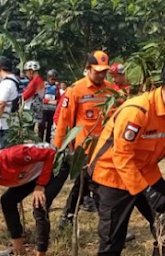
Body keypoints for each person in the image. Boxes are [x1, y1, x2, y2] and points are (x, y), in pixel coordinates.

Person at [89, 57, 165, 256]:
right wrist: (149, 194)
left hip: (145, 172)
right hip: (112, 175)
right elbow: (122, 157)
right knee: (111, 240)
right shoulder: (137, 111)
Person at [54, 50, 113, 228]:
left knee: (83, 184)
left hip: (106, 149)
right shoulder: (75, 90)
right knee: (98, 187)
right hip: (84, 151)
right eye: (98, 71)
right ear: (87, 68)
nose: (101, 74)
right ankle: (111, 225)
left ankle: (67, 217)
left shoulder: (110, 89)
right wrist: (59, 149)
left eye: (104, 71)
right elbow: (64, 121)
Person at [0, 56, 19, 150]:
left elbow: (1, 104)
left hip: (4, 124)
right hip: (9, 121)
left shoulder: (6, 83)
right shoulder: (13, 80)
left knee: (3, 151)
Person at [22, 61, 45, 132]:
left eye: (27, 72)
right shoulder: (40, 80)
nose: (26, 74)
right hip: (37, 109)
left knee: (28, 131)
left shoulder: (34, 81)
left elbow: (25, 96)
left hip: (31, 110)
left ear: (31, 71)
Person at [39, 69, 60, 142]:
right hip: (44, 109)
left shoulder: (56, 88)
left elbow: (59, 99)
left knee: (49, 127)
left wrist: (56, 102)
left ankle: (47, 142)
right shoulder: (44, 86)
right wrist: (49, 101)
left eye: (54, 79)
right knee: (42, 125)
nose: (52, 80)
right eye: (51, 78)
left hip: (52, 110)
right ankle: (39, 141)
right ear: (48, 78)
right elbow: (40, 97)